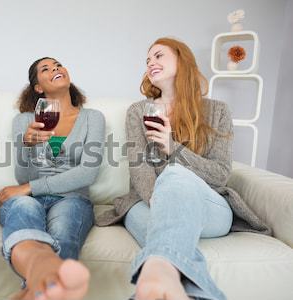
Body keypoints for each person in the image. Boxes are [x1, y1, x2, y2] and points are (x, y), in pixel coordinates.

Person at [96, 37, 271, 300]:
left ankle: (155, 274)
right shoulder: (138, 111)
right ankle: (168, 283)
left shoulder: (218, 112)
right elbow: (139, 166)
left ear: (182, 59)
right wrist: (160, 198)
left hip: (208, 205)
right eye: (147, 60)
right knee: (160, 214)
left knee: (175, 174)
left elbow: (220, 173)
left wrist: (171, 146)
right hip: (147, 202)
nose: (150, 63)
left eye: (158, 56)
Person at [0, 57, 105, 300]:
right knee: (23, 205)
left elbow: (88, 173)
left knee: (64, 234)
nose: (55, 69)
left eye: (58, 65)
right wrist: (25, 144)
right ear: (38, 87)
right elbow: (22, 175)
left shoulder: (92, 118)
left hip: (71, 199)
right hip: (29, 198)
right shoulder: (24, 121)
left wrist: (29, 187)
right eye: (46, 69)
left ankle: (32, 292)